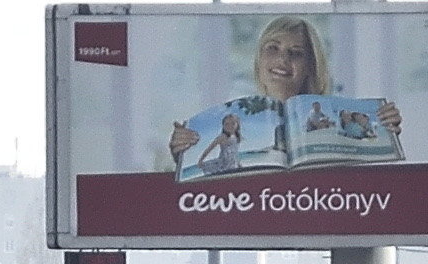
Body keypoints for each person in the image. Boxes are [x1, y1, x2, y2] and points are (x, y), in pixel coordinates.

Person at [168, 16, 398, 178]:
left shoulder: (340, 115)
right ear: (259, 59)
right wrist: (184, 151)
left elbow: (368, 182)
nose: (282, 60)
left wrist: (386, 129)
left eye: (295, 53)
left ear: (311, 65)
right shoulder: (230, 116)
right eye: (273, 48)